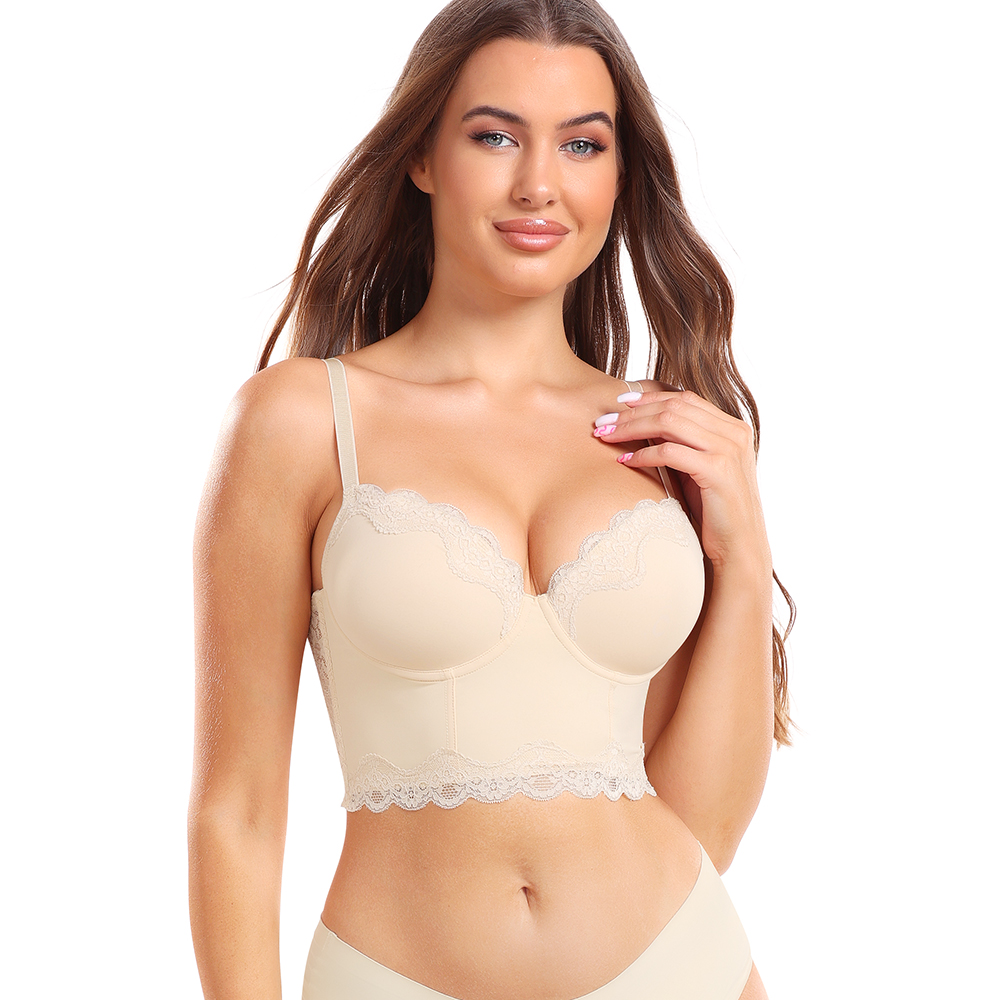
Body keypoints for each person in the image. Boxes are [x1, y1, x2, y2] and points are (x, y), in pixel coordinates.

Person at [188, 1, 793, 998]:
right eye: (495, 136)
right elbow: (237, 814)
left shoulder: (662, 436)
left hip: (682, 968)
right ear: (422, 157)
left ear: (619, 175)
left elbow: (701, 826)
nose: (538, 184)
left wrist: (744, 547)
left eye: (582, 145)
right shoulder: (303, 422)